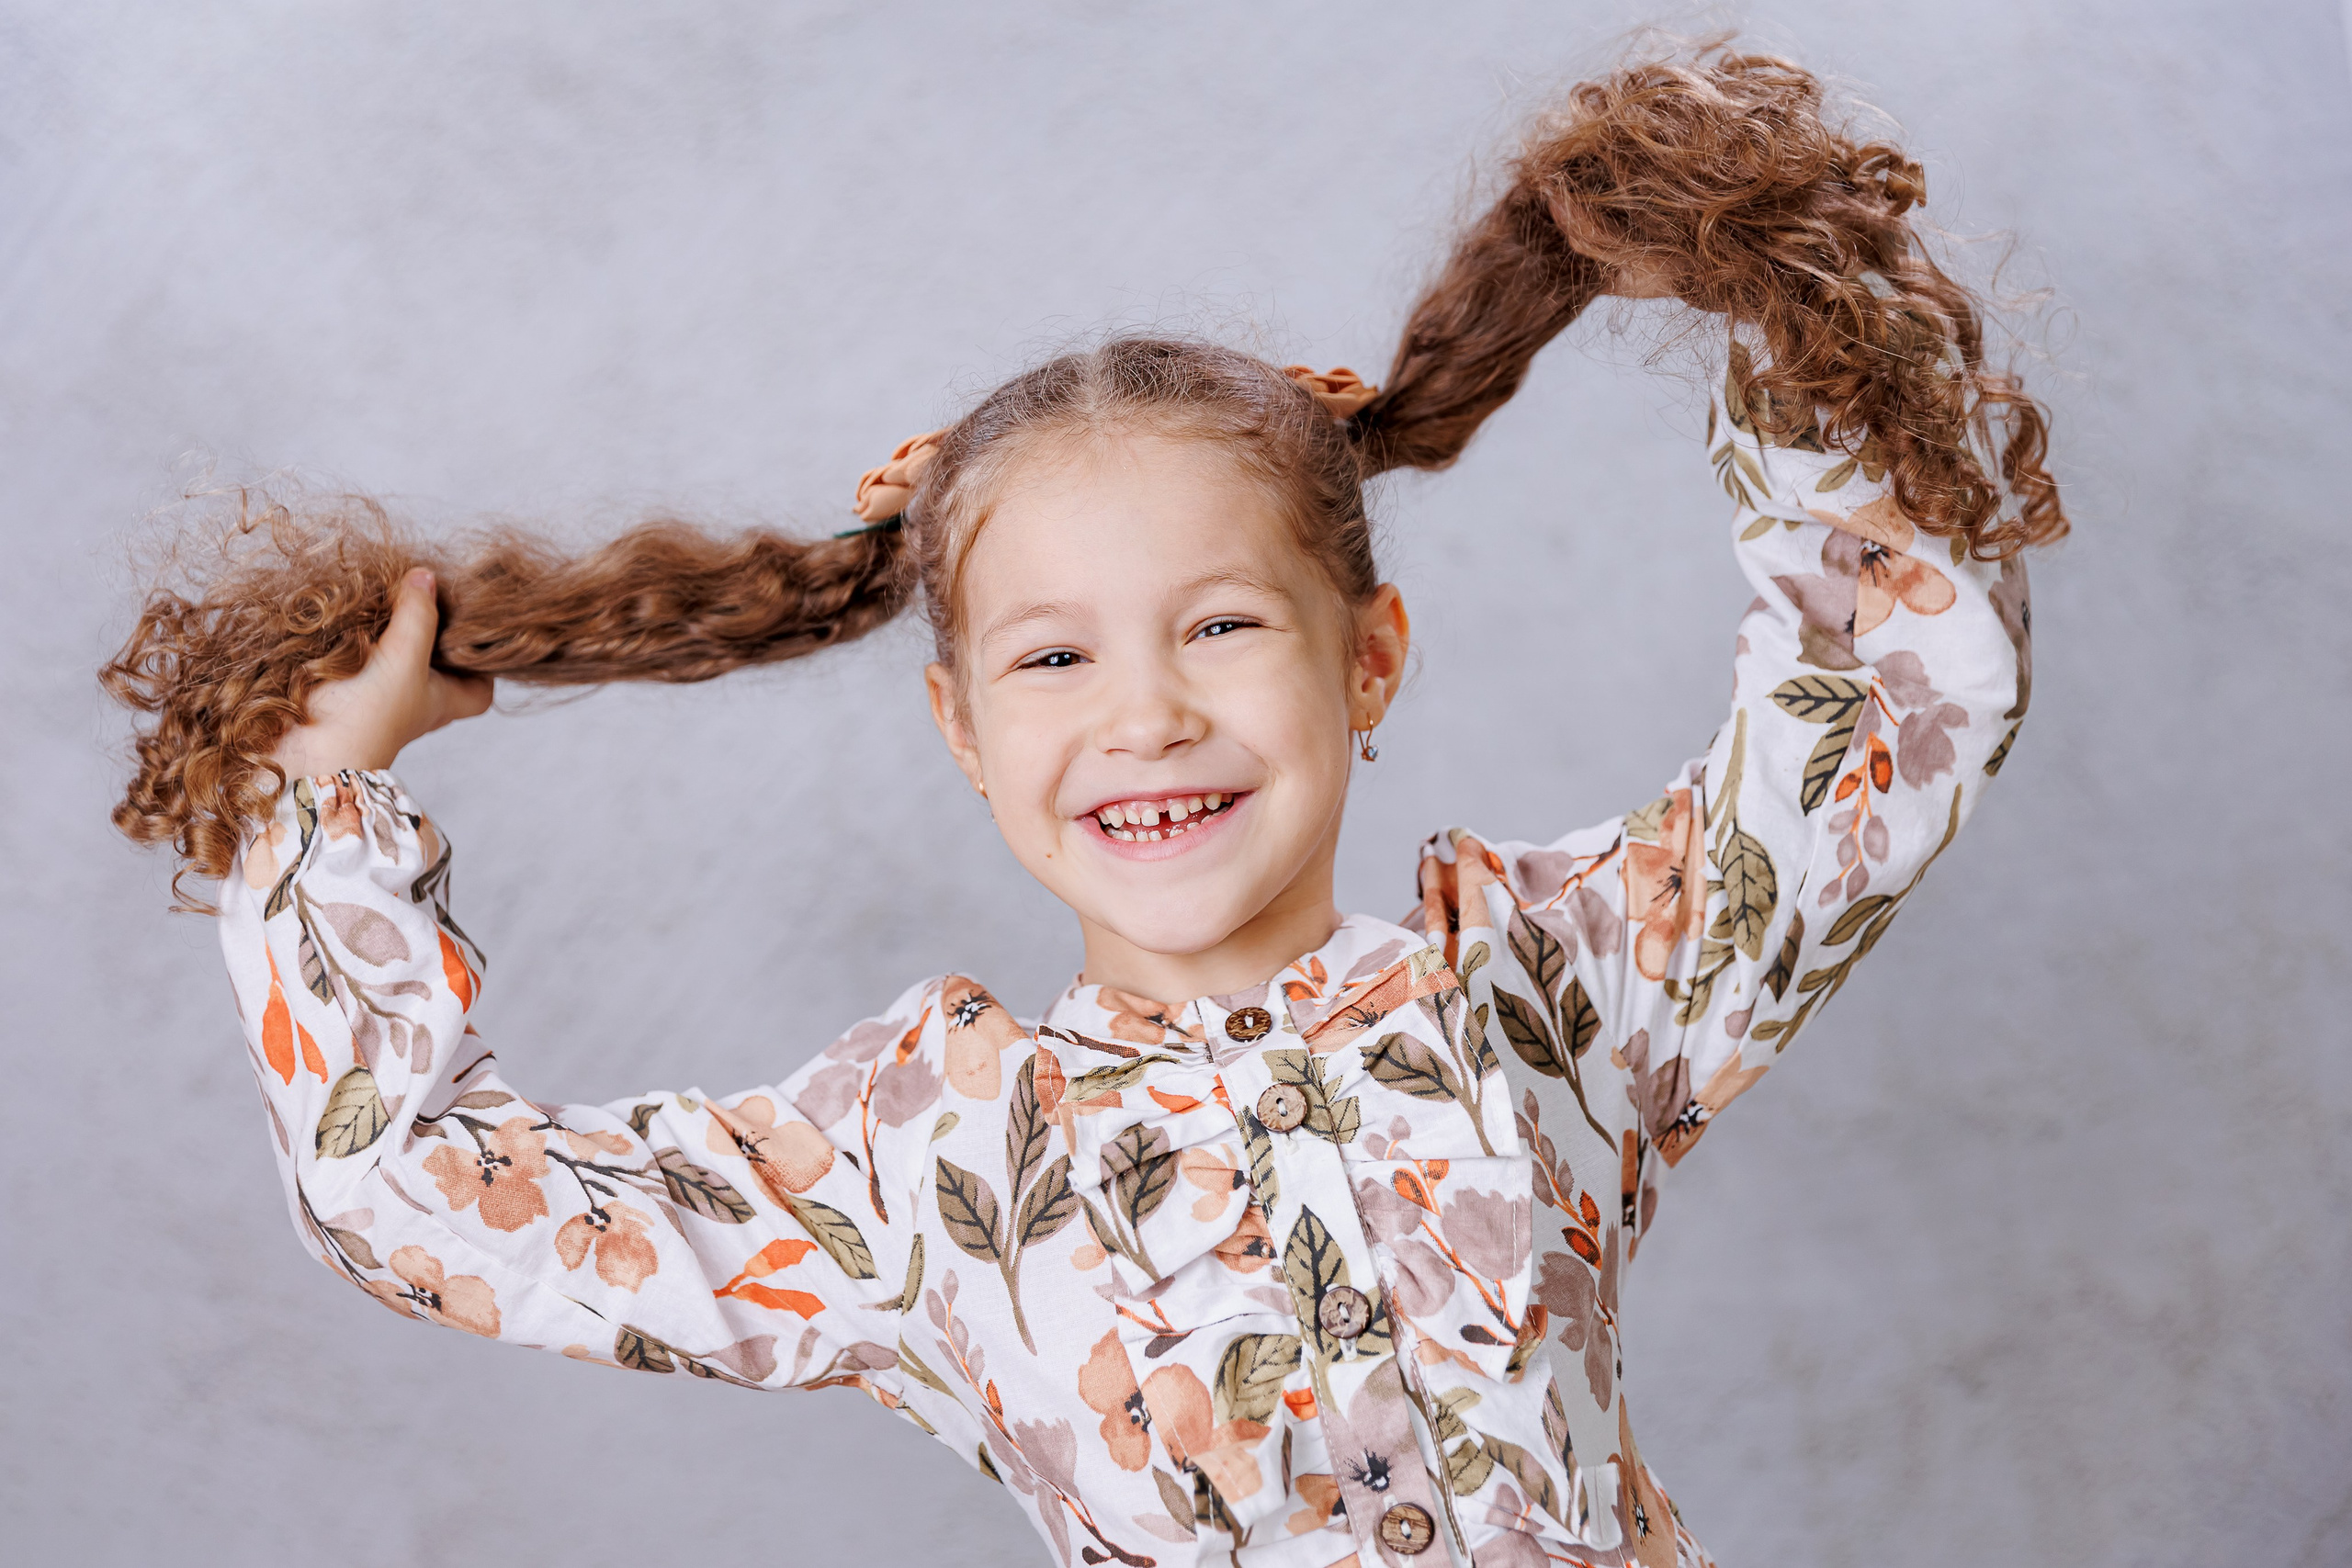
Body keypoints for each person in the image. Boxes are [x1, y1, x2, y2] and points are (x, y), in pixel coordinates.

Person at [102, 43, 2061, 1568]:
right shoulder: (924, 1165)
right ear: (961, 728)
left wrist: (1802, 343)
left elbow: (1893, 710)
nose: (1144, 713)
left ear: (1364, 661)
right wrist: (320, 809)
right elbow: (417, 1192)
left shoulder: (1552, 990)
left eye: (1218, 625)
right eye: (1052, 657)